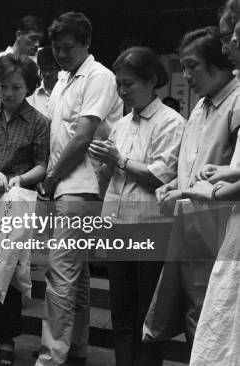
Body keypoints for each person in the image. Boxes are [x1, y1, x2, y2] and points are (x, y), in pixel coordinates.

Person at [89, 47, 185, 366]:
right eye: (119, 83)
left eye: (129, 84)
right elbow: (113, 174)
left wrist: (119, 159)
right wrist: (103, 161)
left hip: (151, 227)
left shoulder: (171, 122)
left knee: (147, 312)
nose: (122, 91)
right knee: (121, 310)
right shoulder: (122, 123)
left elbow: (161, 176)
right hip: (118, 224)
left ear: (152, 81)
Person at [37, 12, 122, 366]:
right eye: (56, 48)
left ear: (86, 43)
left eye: (68, 48)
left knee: (60, 274)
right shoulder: (62, 80)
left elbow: (83, 137)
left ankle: (50, 357)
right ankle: (76, 350)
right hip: (64, 186)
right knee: (77, 277)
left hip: (81, 186)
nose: (61, 54)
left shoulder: (100, 76)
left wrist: (53, 177)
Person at [153, 26, 240, 345]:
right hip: (192, 225)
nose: (186, 75)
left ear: (218, 62)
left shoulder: (236, 103)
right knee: (195, 315)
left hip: (222, 228)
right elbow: (191, 166)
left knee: (215, 321)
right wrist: (173, 184)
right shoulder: (201, 107)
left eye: (193, 66)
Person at [0, 54, 49, 366]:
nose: (8, 93)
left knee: (10, 272)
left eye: (16, 87)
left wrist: (19, 179)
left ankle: (6, 337)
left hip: (16, 205)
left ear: (28, 88)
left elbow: (43, 166)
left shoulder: (39, 123)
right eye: (3, 86)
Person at [187, 0, 240, 365]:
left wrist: (226, 186)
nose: (232, 43)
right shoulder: (202, 107)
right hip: (204, 217)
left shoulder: (235, 100)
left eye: (235, 32)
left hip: (218, 218)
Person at [26, 46, 60, 117]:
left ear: (58, 68)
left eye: (51, 69)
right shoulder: (32, 97)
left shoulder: (65, 91)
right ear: (39, 68)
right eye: (44, 69)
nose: (47, 73)